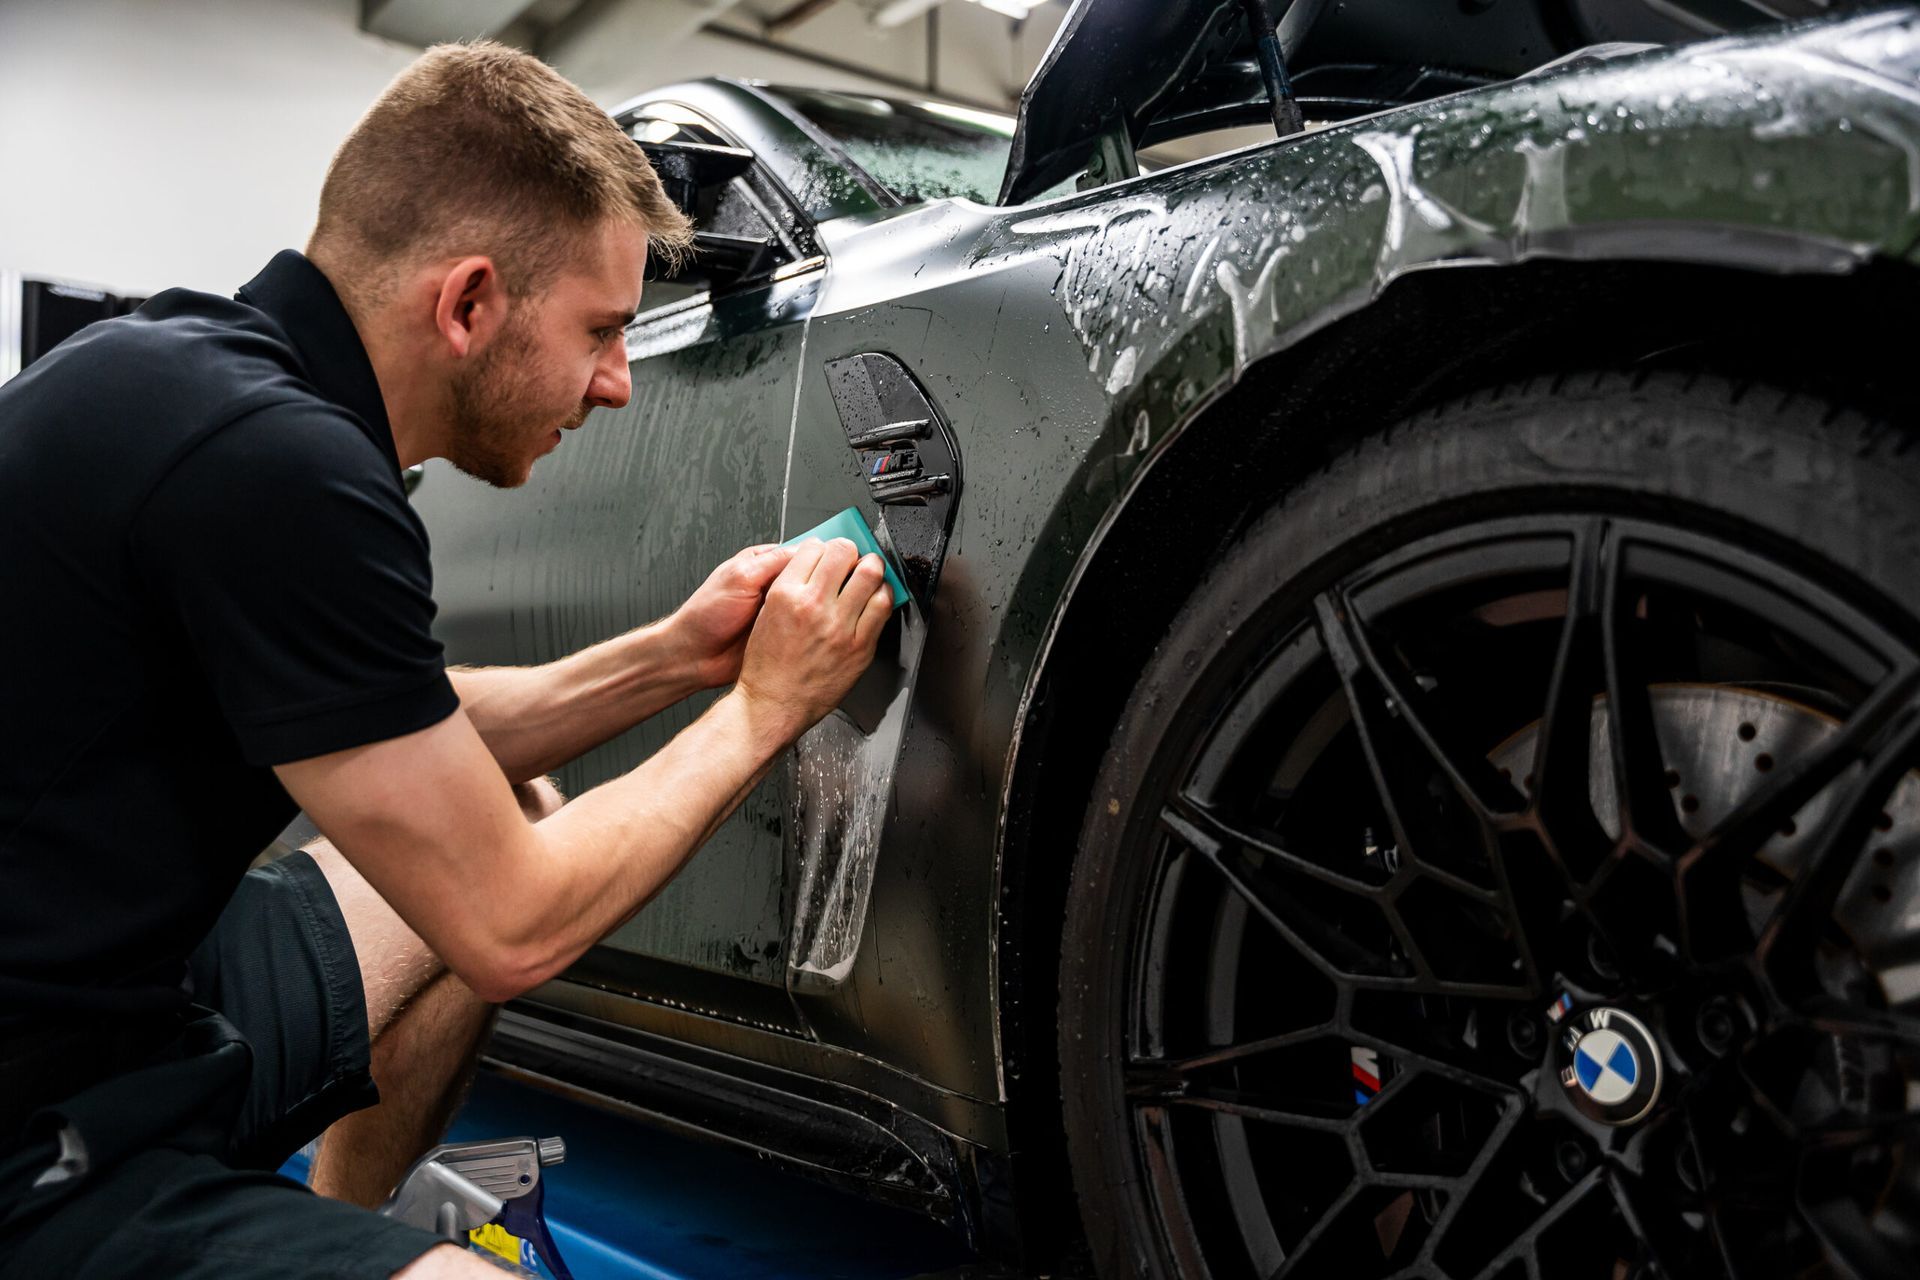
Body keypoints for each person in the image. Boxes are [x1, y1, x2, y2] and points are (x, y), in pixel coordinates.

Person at [0, 40, 893, 1278]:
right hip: (32, 1138)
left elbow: (412, 721)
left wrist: (676, 657)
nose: (620, 382)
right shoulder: (280, 470)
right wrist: (761, 711)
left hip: (125, 1012)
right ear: (470, 303)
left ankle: (344, 1231)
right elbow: (511, 927)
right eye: (602, 329)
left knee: (504, 804)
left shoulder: (196, 380)